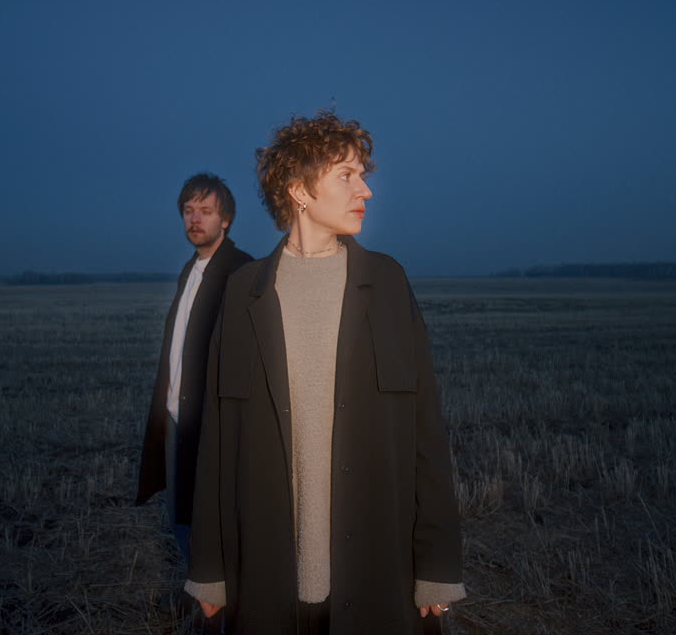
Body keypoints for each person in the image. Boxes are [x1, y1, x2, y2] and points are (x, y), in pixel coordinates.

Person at [185, 112, 466, 633]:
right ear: (299, 190)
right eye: (346, 175)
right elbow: (218, 442)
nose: (366, 190)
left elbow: (425, 432)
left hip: (377, 571)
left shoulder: (387, 282)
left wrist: (438, 568)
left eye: (363, 175)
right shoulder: (246, 291)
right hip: (267, 573)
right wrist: (209, 570)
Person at [136, 173, 253, 607]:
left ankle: (223, 615)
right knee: (182, 521)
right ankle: (206, 611)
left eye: (205, 210)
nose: (194, 219)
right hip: (176, 420)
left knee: (214, 529)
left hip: (212, 425)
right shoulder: (191, 269)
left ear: (226, 219)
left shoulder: (242, 271)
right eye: (188, 210)